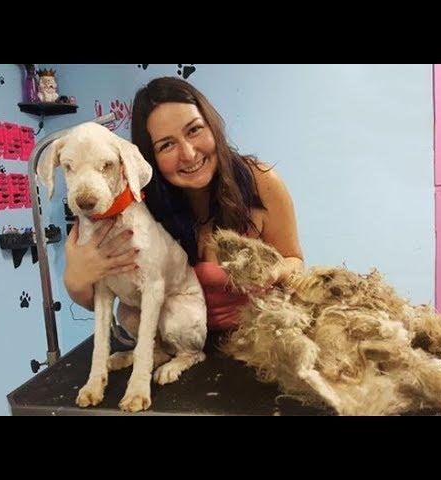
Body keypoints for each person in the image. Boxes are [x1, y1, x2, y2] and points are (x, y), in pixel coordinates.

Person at [63, 76, 304, 332]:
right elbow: (101, 299)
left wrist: (274, 271)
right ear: (150, 157)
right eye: (167, 145)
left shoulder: (261, 182)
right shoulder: (139, 209)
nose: (188, 154)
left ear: (211, 126)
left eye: (194, 130)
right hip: (177, 348)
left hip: (259, 340)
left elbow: (295, 261)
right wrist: (76, 279)